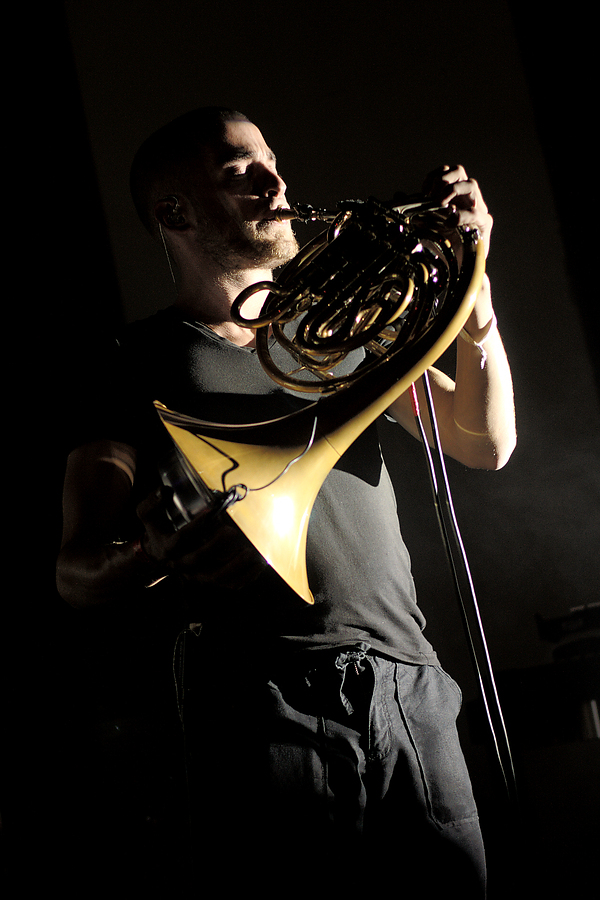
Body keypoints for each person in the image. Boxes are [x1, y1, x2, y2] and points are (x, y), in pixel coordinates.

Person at [56, 107, 516, 895]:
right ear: (175, 211)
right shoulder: (131, 361)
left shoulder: (331, 326)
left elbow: (483, 441)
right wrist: (148, 555)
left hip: (407, 680)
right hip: (260, 699)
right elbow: (74, 570)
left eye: (273, 164)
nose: (279, 184)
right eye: (243, 173)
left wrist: (475, 291)